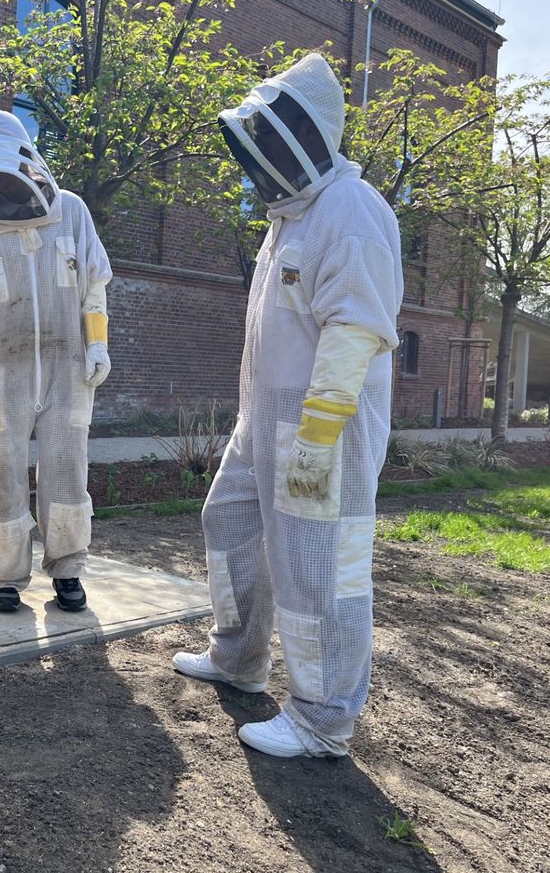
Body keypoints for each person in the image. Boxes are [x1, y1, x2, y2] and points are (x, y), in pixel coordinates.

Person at [172, 53, 404, 758]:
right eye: (259, 139)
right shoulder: (289, 219)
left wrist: (318, 433)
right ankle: (239, 658)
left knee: (320, 565)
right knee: (231, 521)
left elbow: (357, 327)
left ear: (308, 131)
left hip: (320, 430)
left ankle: (323, 718)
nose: (261, 154)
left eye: (272, 137)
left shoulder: (352, 212)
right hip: (264, 418)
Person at [0, 110, 112, 613]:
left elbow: (94, 286)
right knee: (2, 476)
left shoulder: (74, 212)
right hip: (0, 370)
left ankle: (68, 569)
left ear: (30, 167)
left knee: (67, 470)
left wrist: (98, 343)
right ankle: (4, 577)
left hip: (67, 368)